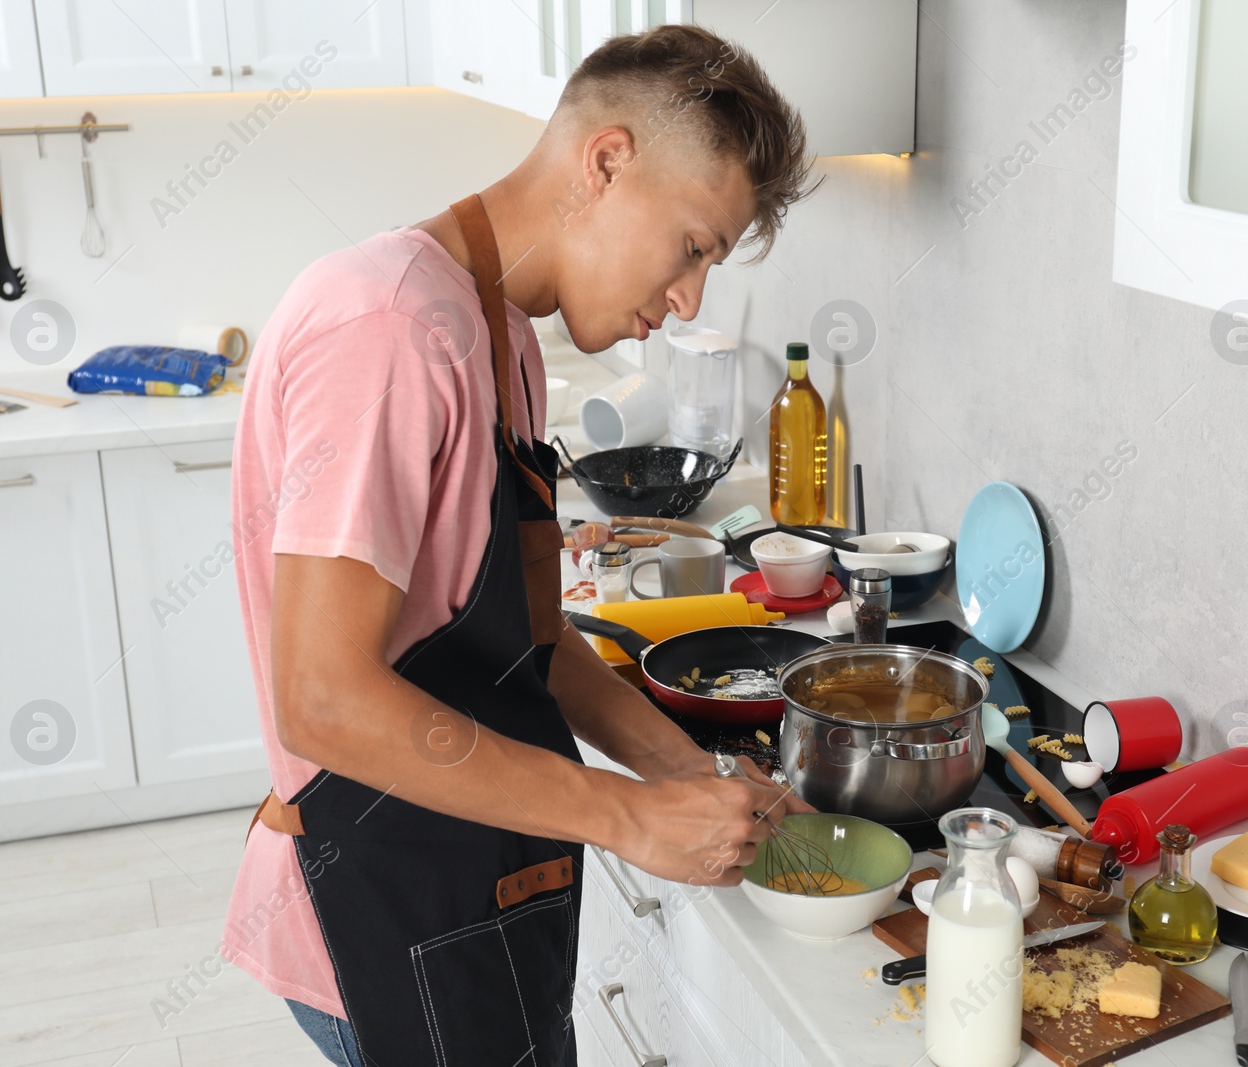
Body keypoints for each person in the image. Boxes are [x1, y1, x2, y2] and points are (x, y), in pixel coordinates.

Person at [224, 23, 819, 1067]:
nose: (689, 301)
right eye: (692, 247)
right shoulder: (390, 325)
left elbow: (534, 645)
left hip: (477, 896)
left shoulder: (498, 334)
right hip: (382, 913)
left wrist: (690, 771)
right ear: (605, 162)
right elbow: (320, 695)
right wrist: (630, 818)